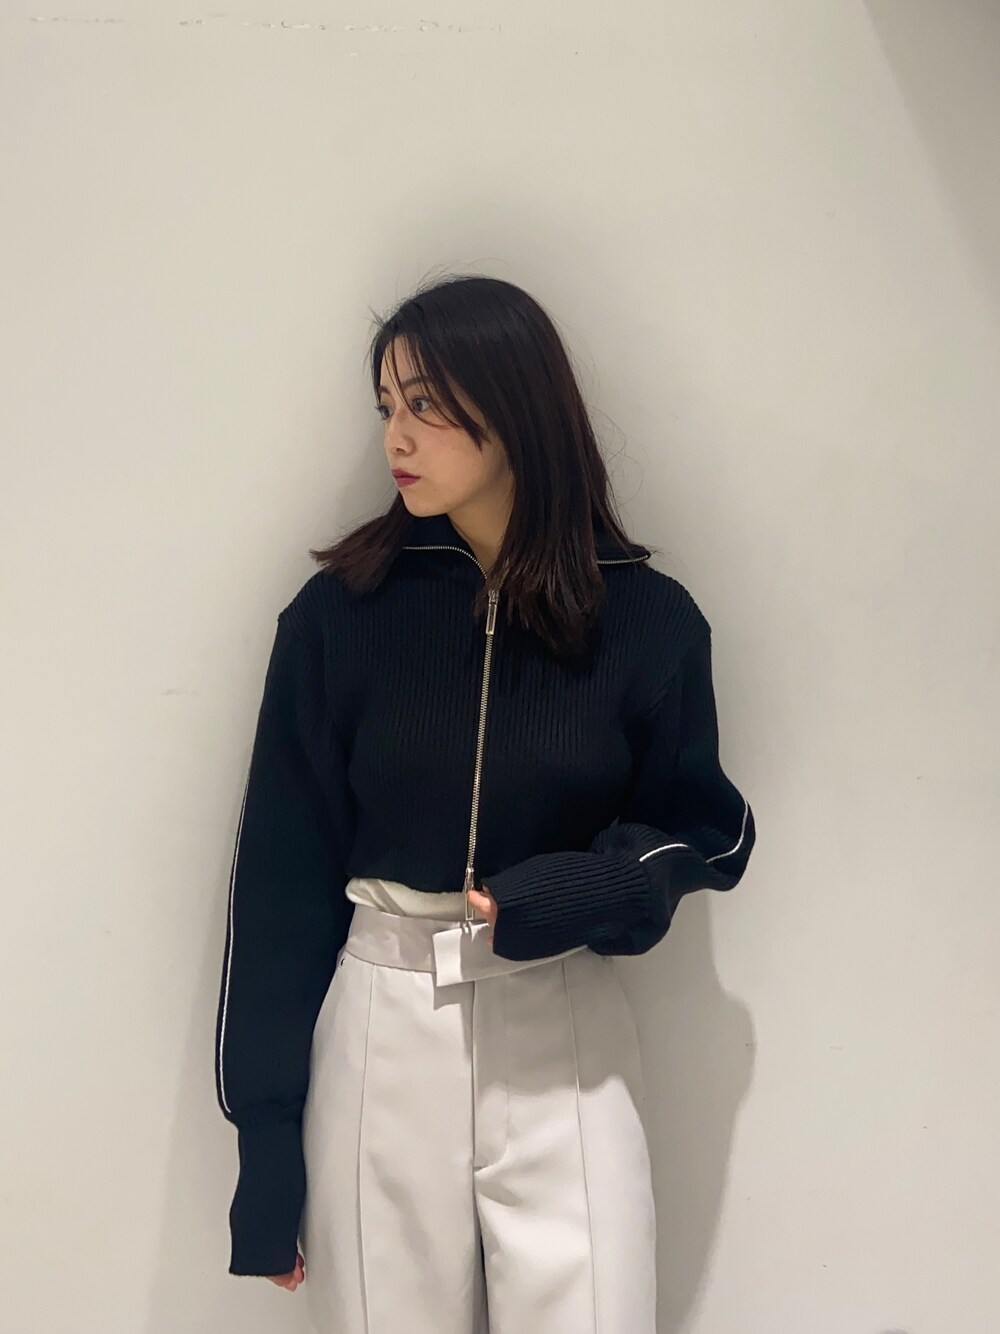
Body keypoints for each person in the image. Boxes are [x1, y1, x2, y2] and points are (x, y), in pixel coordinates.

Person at [213, 273, 756, 1333]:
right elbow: (278, 882)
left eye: (425, 403)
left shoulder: (645, 620)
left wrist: (568, 893)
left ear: (514, 405)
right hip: (382, 1026)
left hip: (563, 1029)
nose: (395, 436)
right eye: (386, 405)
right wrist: (266, 1147)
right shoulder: (339, 617)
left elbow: (708, 830)